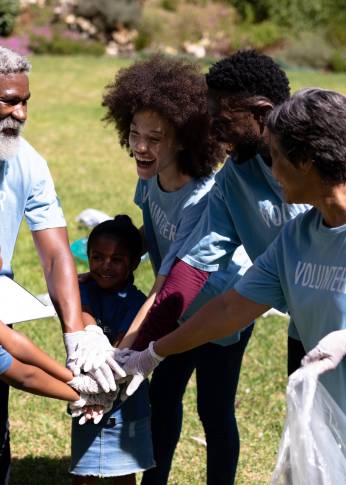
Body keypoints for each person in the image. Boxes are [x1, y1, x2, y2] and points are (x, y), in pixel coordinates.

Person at [123, 89, 346, 484]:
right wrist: (151, 353)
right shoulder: (296, 238)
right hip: (330, 454)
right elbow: (229, 309)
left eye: (275, 157)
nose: (269, 171)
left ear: (307, 161)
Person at [124, 49, 346, 377]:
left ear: (261, 112)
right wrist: (141, 353)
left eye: (222, 122)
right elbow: (201, 276)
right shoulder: (245, 190)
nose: (213, 134)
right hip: (312, 330)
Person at [0, 44, 121, 485]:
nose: (22, 114)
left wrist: (75, 333)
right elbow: (27, 375)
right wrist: (77, 391)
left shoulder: (26, 163)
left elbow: (54, 251)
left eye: (26, 101)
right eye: (10, 100)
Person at [102, 55, 253, 485]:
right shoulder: (149, 177)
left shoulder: (201, 197)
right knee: (163, 399)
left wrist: (124, 351)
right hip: (176, 309)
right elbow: (150, 240)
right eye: (134, 134)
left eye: (155, 138)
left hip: (220, 313)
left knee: (214, 410)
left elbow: (167, 285)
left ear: (184, 140)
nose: (141, 147)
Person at [0, 213, 110, 417]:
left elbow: (11, 340)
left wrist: (73, 378)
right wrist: (83, 397)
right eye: (0, 253)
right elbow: (25, 377)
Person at [70, 215, 155, 485]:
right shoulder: (83, 290)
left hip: (125, 397)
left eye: (116, 259)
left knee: (123, 472)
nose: (105, 266)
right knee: (83, 470)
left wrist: (103, 389)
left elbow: (121, 350)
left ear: (132, 263)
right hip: (86, 394)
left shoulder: (137, 303)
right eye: (97, 257)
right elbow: (84, 317)